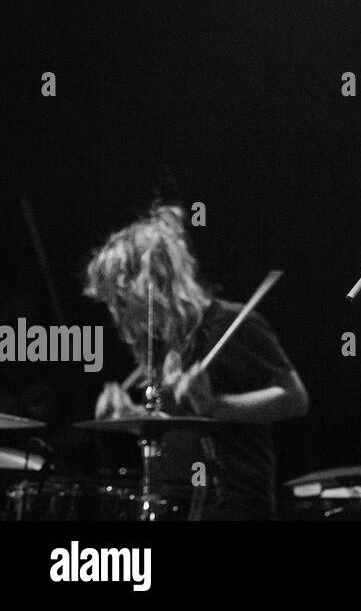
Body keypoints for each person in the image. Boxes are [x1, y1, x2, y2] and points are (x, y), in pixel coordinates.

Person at [84, 205, 309, 519]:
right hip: (176, 503)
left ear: (153, 283)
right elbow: (177, 422)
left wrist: (216, 406)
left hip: (228, 505)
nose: (116, 311)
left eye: (121, 299)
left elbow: (294, 398)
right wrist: (132, 418)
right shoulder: (161, 344)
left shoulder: (230, 323)